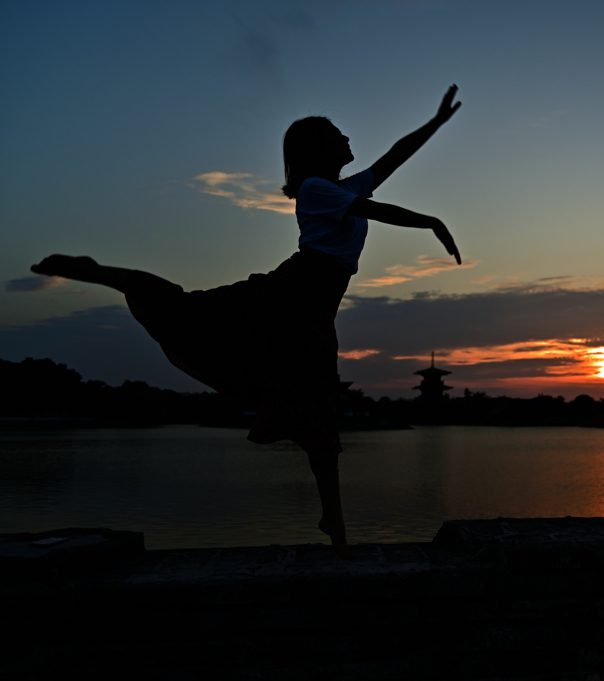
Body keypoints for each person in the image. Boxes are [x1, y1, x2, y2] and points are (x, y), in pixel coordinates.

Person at [30, 85, 464, 558]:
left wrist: (436, 122)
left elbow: (393, 157)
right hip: (286, 296)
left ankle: (333, 520)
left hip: (315, 310)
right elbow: (373, 211)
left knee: (319, 410)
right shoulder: (316, 190)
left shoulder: (343, 186)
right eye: (337, 133)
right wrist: (431, 222)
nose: (346, 136)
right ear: (318, 149)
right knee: (183, 310)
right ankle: (97, 271)